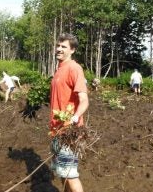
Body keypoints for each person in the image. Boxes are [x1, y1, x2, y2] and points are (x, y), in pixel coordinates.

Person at [50, 33, 89, 192]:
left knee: (70, 175)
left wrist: (75, 117)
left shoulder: (74, 68)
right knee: (63, 173)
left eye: (63, 46)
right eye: (58, 46)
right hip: (56, 130)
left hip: (68, 132)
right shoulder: (58, 70)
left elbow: (84, 99)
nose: (59, 49)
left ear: (72, 50)